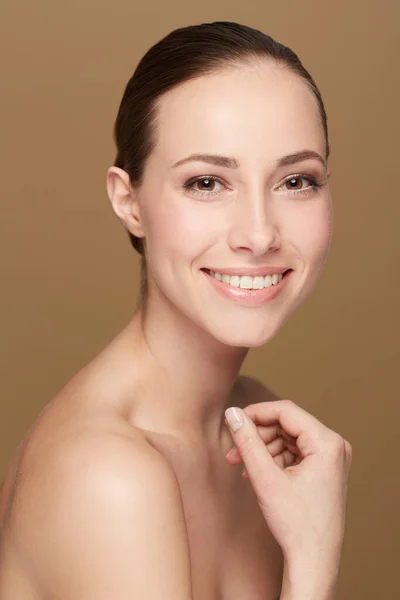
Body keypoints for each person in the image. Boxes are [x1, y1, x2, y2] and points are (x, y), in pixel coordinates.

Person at [0, 21, 352, 600]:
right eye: (208, 182)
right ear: (128, 201)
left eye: (295, 180)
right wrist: (313, 561)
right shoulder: (107, 477)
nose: (260, 234)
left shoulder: (257, 426)